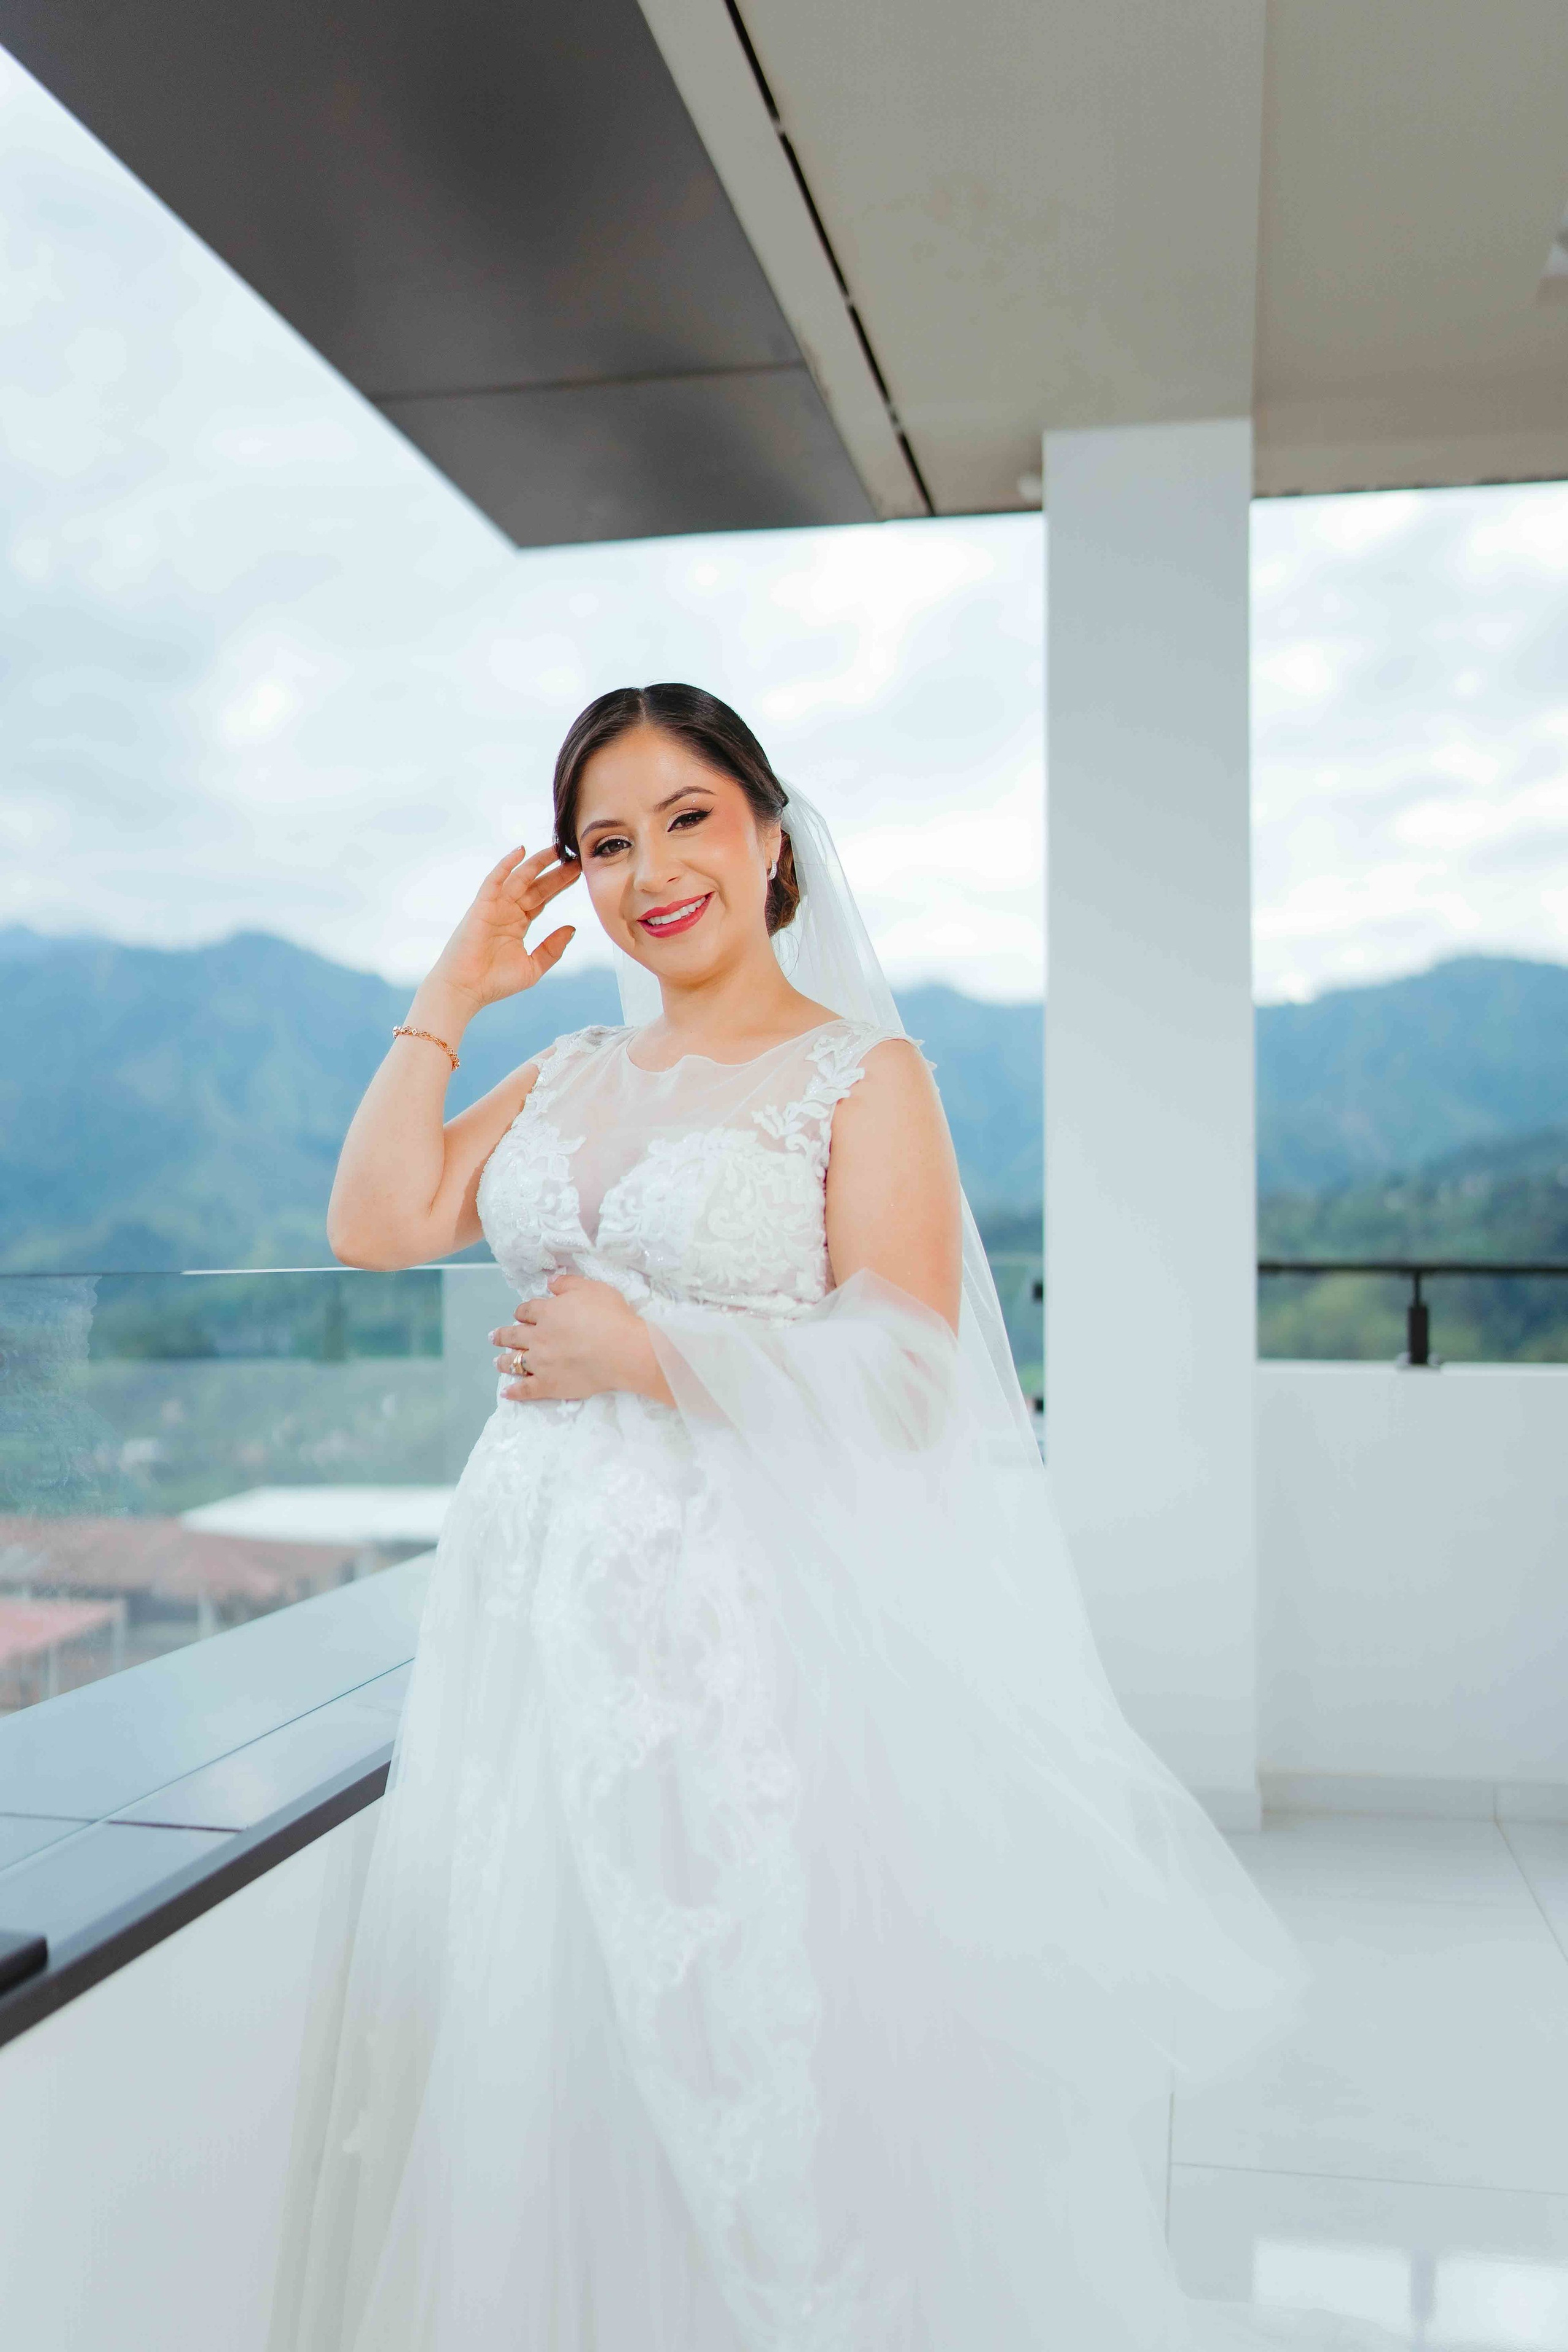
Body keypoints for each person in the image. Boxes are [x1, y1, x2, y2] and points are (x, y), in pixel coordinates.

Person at [270, 685, 1397, 2351]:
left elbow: (910, 1374)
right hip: (527, 1635)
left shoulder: (859, 1075)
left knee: (741, 2046)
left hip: (742, 1639)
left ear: (770, 833)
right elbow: (377, 1222)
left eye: (688, 817)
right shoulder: (569, 1070)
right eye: (606, 840)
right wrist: (452, 988)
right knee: (540, 2041)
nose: (652, 867)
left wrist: (647, 1349)